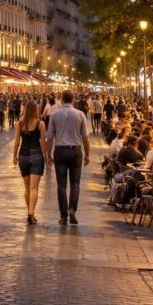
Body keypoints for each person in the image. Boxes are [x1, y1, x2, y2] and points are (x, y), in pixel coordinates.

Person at [45, 90, 90, 225]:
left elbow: (50, 137)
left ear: (62, 100)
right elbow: (85, 137)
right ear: (73, 99)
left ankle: (63, 215)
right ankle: (72, 209)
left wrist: (48, 154)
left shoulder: (54, 115)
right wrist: (87, 154)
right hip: (75, 151)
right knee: (75, 183)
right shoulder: (80, 114)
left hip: (60, 151)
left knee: (61, 184)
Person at [12, 100, 48, 225]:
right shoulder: (40, 124)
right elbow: (42, 142)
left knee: (27, 188)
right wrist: (47, 155)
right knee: (34, 188)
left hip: (23, 156)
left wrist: (14, 155)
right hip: (37, 155)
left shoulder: (20, 124)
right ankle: (31, 213)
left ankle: (30, 212)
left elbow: (17, 141)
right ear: (36, 110)